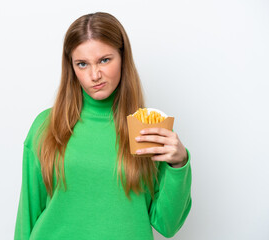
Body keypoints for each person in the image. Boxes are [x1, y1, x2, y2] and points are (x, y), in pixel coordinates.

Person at [14, 12, 191, 240]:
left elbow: (168, 225)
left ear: (123, 57)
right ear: (72, 68)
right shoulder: (47, 125)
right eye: (82, 64)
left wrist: (179, 164)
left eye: (104, 60)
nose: (94, 75)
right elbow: (27, 214)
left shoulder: (148, 127)